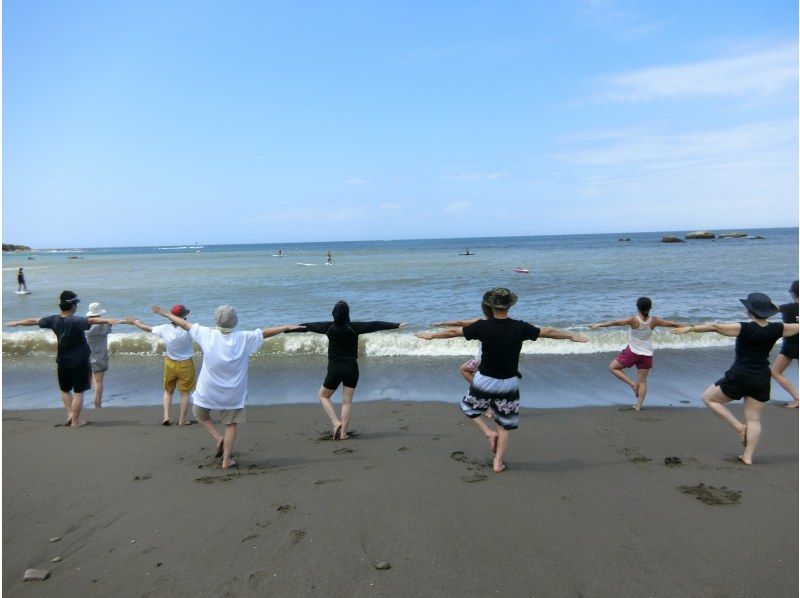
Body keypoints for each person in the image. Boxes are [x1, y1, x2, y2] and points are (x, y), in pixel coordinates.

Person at [416, 288, 588, 473]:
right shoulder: (520, 327)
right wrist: (571, 336)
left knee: (469, 409)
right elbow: (548, 331)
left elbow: (453, 332)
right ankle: (498, 462)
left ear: (489, 306)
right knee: (503, 425)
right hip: (509, 383)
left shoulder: (482, 326)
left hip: (485, 380)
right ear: (509, 306)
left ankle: (488, 433)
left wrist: (431, 336)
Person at [150, 304, 303, 468]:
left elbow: (183, 324)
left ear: (216, 320)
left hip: (208, 390)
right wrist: (286, 327)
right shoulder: (244, 337)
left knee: (200, 415)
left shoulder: (205, 333)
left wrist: (164, 313)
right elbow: (265, 333)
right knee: (230, 424)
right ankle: (226, 460)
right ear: (235, 321)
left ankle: (218, 437)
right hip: (233, 393)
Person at [672, 293, 798, 465]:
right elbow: (797, 327)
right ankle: (748, 456)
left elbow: (715, 327)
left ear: (749, 311)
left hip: (739, 375)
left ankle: (739, 427)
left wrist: (690, 328)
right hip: (761, 377)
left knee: (708, 398)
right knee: (754, 419)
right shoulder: (778, 328)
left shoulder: (743, 328)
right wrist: (773, 308)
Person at [289, 301, 405, 440]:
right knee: (347, 402)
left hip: (335, 369)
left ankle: (335, 422)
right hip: (351, 368)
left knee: (323, 396)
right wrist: (395, 325)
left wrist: (287, 329)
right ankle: (343, 434)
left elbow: (307, 327)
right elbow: (374, 325)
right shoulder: (354, 327)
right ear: (347, 314)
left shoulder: (328, 327)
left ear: (334, 313)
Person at [6, 291, 122, 427]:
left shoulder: (53, 320)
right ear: (73, 306)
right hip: (80, 360)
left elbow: (35, 321)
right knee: (78, 391)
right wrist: (108, 320)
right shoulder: (77, 321)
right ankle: (76, 421)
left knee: (65, 389)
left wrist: (18, 323)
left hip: (62, 359)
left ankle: (70, 414)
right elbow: (92, 320)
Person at [588, 297, 683, 411]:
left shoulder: (633, 320)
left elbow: (616, 323)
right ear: (650, 308)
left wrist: (598, 325)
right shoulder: (655, 320)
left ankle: (632, 384)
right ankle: (638, 406)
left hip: (632, 352)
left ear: (637, 308)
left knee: (613, 367)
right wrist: (687, 328)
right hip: (647, 354)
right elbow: (672, 323)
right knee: (642, 381)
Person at [125, 304, 197, 425]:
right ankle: (182, 420)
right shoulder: (189, 330)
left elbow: (147, 328)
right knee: (184, 393)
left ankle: (166, 416)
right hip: (185, 364)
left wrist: (135, 323)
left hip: (170, 363)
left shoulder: (164, 328)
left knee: (168, 391)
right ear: (184, 317)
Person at [771, 280, 798, 408]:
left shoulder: (787, 307)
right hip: (791, 346)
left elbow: (769, 308)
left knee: (775, 372)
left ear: (792, 293)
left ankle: (797, 398)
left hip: (790, 346)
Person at [85, 302, 113, 408]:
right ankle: (97, 401)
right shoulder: (101, 326)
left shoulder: (88, 326)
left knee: (95, 381)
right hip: (100, 356)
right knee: (99, 381)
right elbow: (110, 325)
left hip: (89, 356)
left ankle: (96, 401)